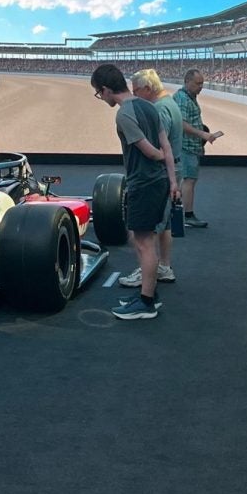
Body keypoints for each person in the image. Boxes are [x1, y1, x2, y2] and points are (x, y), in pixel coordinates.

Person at [91, 63, 177, 320]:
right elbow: (166, 146)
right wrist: (172, 181)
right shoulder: (149, 107)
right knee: (142, 238)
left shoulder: (124, 114)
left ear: (106, 89)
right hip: (158, 181)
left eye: (99, 93)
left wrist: (160, 160)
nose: (101, 98)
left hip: (144, 183)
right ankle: (150, 294)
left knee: (143, 243)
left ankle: (146, 303)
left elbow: (151, 151)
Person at [121, 68, 183, 290]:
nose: (134, 95)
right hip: (173, 169)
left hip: (159, 174)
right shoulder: (170, 103)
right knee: (164, 224)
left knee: (148, 230)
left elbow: (157, 146)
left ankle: (149, 272)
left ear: (147, 88)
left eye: (136, 90)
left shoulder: (158, 109)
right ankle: (163, 266)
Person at [172, 68, 218, 228]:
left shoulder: (188, 97)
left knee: (187, 180)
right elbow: (182, 124)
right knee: (189, 180)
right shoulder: (183, 99)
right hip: (186, 147)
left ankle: (181, 213)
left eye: (202, 83)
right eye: (197, 83)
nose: (201, 87)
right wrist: (202, 134)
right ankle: (187, 215)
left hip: (190, 146)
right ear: (187, 82)